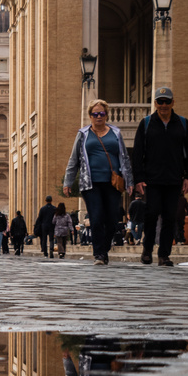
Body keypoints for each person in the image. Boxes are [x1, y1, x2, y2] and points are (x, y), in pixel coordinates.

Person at [64, 99, 133, 267]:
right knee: (96, 218)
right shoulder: (83, 134)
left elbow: (124, 158)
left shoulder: (115, 133)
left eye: (102, 113)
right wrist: (68, 181)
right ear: (90, 116)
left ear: (107, 115)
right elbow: (74, 160)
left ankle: (105, 247)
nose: (98, 117)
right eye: (95, 114)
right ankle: (99, 254)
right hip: (91, 183)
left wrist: (129, 181)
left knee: (111, 220)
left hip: (112, 183)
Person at [132, 87, 188, 267]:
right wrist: (138, 178)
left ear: (173, 103)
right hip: (152, 180)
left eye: (167, 101)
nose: (164, 105)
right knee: (151, 214)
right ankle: (147, 249)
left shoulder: (183, 123)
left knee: (170, 217)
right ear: (155, 104)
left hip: (174, 179)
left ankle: (164, 255)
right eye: (160, 101)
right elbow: (137, 153)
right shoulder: (146, 124)